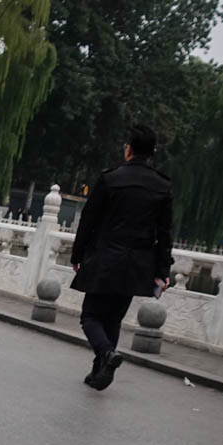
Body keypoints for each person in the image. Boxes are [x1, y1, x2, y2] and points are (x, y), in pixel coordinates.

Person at [71, 124, 173, 390]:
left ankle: (106, 354)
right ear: (152, 152)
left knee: (90, 316)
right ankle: (99, 372)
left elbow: (89, 220)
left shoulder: (111, 179)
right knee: (113, 318)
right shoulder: (162, 186)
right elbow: (165, 233)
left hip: (106, 257)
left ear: (129, 149)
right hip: (138, 263)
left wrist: (77, 254)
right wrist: (163, 271)